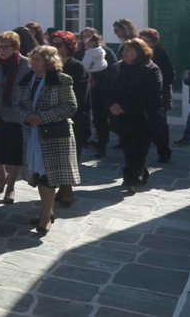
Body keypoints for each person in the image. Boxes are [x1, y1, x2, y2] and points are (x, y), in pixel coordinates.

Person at [16, 46, 79, 237]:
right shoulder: (26, 80)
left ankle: (45, 216)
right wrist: (27, 116)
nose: (33, 62)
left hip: (53, 135)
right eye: (32, 58)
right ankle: (47, 210)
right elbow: (18, 105)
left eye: (38, 59)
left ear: (49, 61)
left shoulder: (62, 80)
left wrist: (42, 117)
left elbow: (70, 106)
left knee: (48, 176)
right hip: (32, 134)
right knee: (38, 175)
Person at [106, 38, 163, 195]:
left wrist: (124, 107)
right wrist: (111, 104)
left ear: (140, 52)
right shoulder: (117, 67)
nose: (124, 53)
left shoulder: (151, 69)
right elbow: (106, 88)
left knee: (140, 149)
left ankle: (131, 180)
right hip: (121, 117)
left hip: (144, 117)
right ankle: (140, 173)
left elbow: (150, 95)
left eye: (129, 50)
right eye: (124, 49)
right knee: (129, 149)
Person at [0, 31, 30, 204]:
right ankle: (2, 175)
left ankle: (11, 186)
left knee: (14, 151)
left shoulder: (25, 64)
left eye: (5, 47)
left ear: (15, 48)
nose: (1, 50)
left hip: (15, 112)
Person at [48, 31, 90, 207]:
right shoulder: (49, 66)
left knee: (69, 156)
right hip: (51, 118)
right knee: (56, 157)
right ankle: (62, 189)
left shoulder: (77, 67)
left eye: (59, 45)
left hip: (74, 119)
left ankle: (68, 190)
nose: (54, 48)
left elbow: (80, 98)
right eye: (52, 44)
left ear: (69, 47)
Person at [77, 27, 118, 157]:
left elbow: (114, 69)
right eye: (84, 36)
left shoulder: (106, 51)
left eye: (89, 36)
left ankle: (102, 144)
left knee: (101, 118)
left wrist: (98, 80)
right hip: (85, 90)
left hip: (102, 89)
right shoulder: (80, 52)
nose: (86, 39)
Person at [139, 28, 174, 163]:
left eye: (146, 41)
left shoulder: (160, 53)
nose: (143, 43)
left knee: (161, 124)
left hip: (160, 96)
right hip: (144, 95)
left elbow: (169, 75)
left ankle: (164, 152)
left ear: (153, 42)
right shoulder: (140, 54)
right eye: (141, 40)